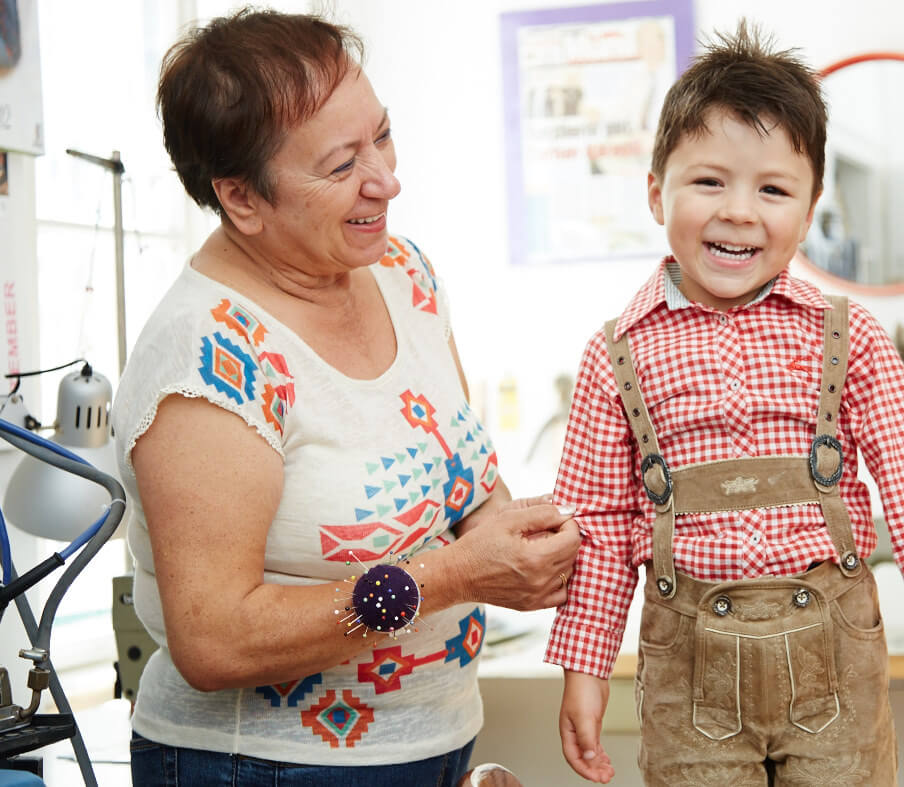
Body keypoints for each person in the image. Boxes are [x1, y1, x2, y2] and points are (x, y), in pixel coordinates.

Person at [110, 9, 579, 786]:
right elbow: (212, 642)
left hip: (438, 743)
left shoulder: (403, 273)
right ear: (241, 198)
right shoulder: (208, 354)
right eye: (340, 166)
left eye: (382, 137)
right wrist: (458, 577)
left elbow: (461, 495)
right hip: (263, 765)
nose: (385, 180)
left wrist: (530, 540)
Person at [544, 21, 904, 786]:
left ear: (811, 203)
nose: (739, 211)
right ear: (656, 190)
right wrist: (583, 667)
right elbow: (594, 522)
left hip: (835, 663)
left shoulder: (847, 335)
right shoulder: (613, 352)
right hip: (686, 679)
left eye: (773, 189)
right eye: (708, 181)